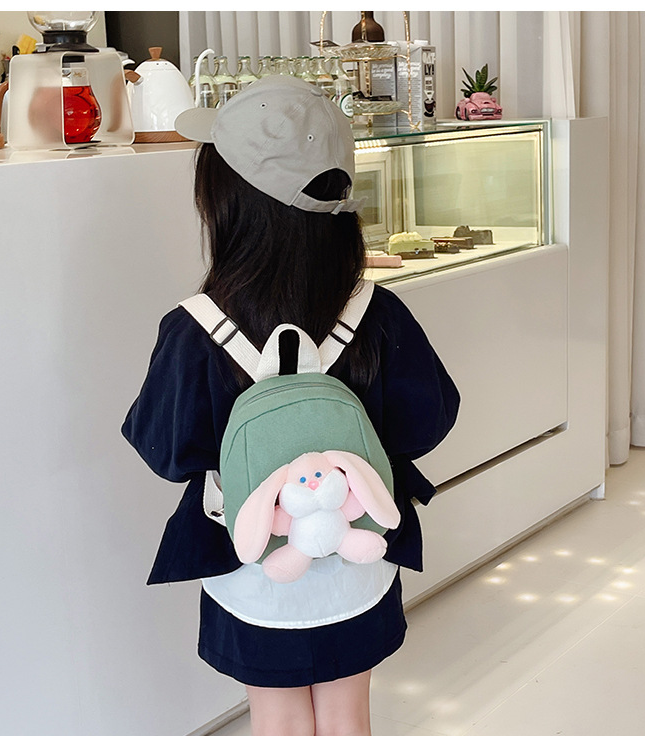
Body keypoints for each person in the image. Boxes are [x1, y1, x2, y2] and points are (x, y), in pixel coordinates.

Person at [121, 75, 460, 736]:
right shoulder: (377, 314)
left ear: (227, 203)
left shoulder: (195, 330)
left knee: (277, 720)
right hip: (358, 562)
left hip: (252, 571)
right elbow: (429, 419)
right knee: (348, 716)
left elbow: (167, 452)